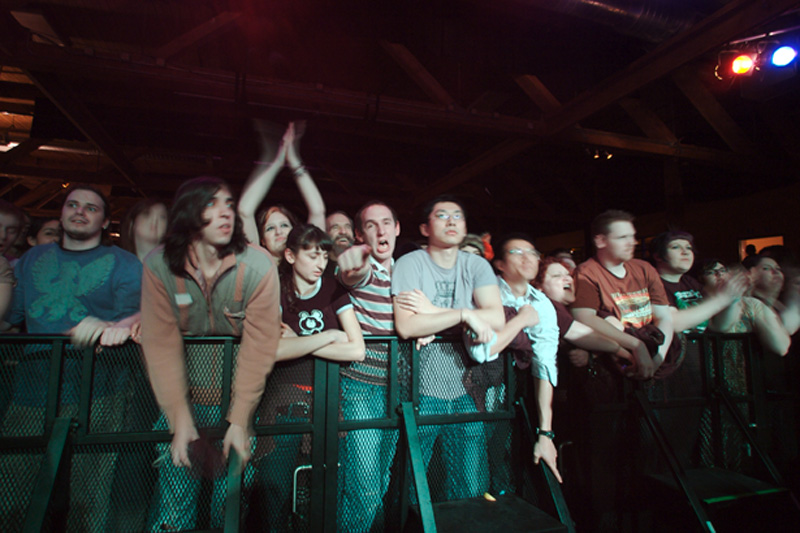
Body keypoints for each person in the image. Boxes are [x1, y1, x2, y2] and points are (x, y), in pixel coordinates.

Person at [140, 177, 281, 531]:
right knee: (174, 512)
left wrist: (241, 419)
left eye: (229, 204)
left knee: (228, 510)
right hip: (185, 400)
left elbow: (259, 347)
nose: (225, 212)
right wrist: (178, 418)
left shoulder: (258, 265)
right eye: (211, 204)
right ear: (187, 212)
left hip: (240, 401)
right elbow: (160, 346)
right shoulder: (159, 265)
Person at [3, 185, 142, 531]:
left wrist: (114, 325)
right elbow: (12, 318)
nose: (80, 212)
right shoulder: (34, 259)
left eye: (91, 208)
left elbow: (140, 316)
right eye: (73, 205)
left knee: (88, 496)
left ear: (105, 221)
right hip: (32, 389)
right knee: (13, 490)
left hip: (98, 392)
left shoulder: (124, 264)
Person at [392, 194, 504, 501]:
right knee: (412, 487)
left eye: (458, 216)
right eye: (442, 215)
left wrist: (432, 314)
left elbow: (496, 318)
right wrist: (465, 315)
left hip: (467, 389)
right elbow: (407, 326)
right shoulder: (410, 263)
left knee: (471, 488)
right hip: (419, 392)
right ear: (425, 228)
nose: (451, 221)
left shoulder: (476, 265)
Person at [258, 224, 364, 532]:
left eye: (324, 256)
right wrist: (329, 336)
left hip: (328, 402)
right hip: (282, 404)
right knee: (274, 492)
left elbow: (356, 349)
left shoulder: (333, 288)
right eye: (312, 255)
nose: (320, 263)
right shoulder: (276, 289)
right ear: (291, 256)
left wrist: (301, 343)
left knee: (323, 496)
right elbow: (272, 351)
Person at [335, 200, 401, 530]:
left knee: (381, 479)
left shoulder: (407, 272)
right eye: (371, 225)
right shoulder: (365, 268)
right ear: (360, 235)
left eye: (386, 222)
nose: (380, 230)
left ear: (397, 228)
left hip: (398, 390)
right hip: (360, 387)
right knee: (365, 487)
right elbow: (352, 275)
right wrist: (354, 263)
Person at [489, 233, 561, 482]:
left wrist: (546, 432)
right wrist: (520, 321)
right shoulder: (487, 292)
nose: (527, 258)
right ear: (499, 264)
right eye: (517, 252)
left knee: (509, 468)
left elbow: (545, 364)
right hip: (477, 391)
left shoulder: (541, 303)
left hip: (514, 395)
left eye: (532, 253)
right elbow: (484, 348)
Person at [238, 121, 325, 264]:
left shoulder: (306, 266)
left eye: (284, 225)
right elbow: (244, 211)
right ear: (262, 240)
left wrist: (294, 160)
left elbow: (318, 211)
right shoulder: (257, 264)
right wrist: (277, 163)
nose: (279, 232)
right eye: (270, 228)